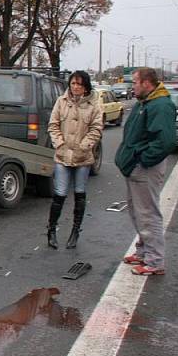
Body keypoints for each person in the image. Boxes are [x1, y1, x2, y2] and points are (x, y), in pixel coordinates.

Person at [114, 68, 176, 275]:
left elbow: (165, 141)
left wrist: (142, 160)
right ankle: (143, 251)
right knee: (138, 212)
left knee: (148, 214)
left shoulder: (160, 105)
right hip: (136, 166)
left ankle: (155, 260)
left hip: (145, 168)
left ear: (146, 83)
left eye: (135, 83)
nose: (132, 87)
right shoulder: (147, 103)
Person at [46, 70, 104, 249]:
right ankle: (51, 230)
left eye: (79, 84)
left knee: (79, 194)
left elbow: (96, 129)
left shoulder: (94, 104)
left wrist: (84, 146)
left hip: (83, 157)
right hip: (63, 155)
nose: (76, 87)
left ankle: (75, 231)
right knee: (60, 194)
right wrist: (60, 144)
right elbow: (53, 125)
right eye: (73, 84)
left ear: (85, 86)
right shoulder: (61, 102)